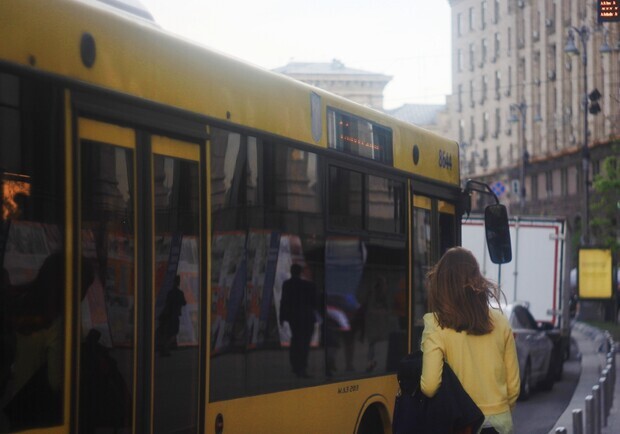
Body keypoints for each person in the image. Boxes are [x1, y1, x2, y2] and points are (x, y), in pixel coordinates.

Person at [420, 247, 520, 434]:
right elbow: (513, 387)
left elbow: (430, 386)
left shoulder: (436, 324)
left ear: (442, 284)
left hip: (461, 424)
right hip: (500, 422)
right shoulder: (499, 321)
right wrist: (500, 412)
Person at [279, 264, 317, 378]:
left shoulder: (287, 285)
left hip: (294, 318)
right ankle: (302, 367)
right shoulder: (308, 285)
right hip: (307, 318)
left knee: (295, 341)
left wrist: (282, 317)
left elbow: (284, 301)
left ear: (291, 272)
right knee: (304, 344)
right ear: (301, 272)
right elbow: (314, 302)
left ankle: (295, 365)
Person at [157, 275, 187, 356]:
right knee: (174, 332)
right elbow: (184, 302)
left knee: (168, 332)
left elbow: (167, 302)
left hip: (169, 315)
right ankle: (166, 347)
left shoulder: (170, 292)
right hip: (175, 315)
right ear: (178, 283)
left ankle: (165, 347)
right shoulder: (180, 293)